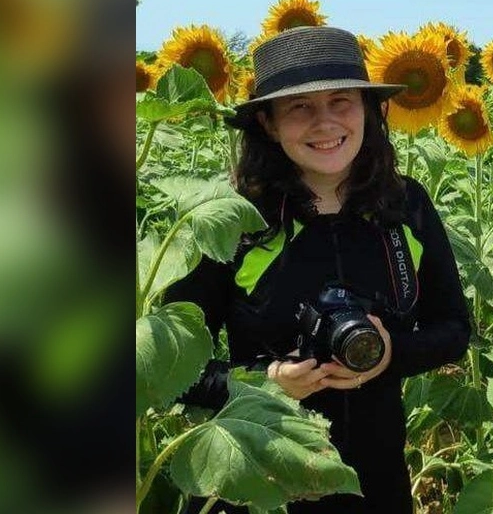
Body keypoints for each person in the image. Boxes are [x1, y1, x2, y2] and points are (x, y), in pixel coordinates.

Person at [166, 26, 472, 513]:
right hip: (261, 481)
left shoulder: (404, 205)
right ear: (267, 123)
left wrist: (393, 352)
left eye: (340, 100)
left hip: (376, 484)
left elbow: (454, 327)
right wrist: (265, 380)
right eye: (300, 107)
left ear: (369, 110)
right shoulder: (233, 220)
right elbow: (174, 368)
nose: (325, 123)